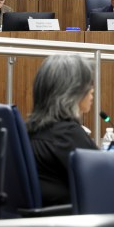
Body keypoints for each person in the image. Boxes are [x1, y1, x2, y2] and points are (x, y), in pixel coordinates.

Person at [27, 54, 98, 206]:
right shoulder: (66, 135)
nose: (92, 90)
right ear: (71, 91)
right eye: (88, 84)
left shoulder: (35, 129)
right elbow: (104, 181)